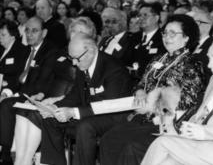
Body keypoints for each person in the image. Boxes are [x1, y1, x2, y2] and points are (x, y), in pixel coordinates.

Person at [97, 14, 206, 165]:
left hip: (164, 122)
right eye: (165, 32)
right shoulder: (158, 58)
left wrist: (156, 109)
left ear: (187, 37)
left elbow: (188, 102)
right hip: (142, 116)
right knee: (108, 139)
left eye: (173, 33)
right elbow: (141, 83)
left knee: (129, 145)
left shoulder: (192, 64)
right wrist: (140, 91)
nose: (167, 37)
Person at [19, 33, 133, 165]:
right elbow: (75, 95)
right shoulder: (82, 63)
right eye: (71, 58)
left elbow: (108, 105)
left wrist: (73, 112)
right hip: (89, 112)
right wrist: (55, 107)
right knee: (50, 119)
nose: (73, 63)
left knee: (85, 127)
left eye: (76, 58)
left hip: (113, 115)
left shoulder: (114, 68)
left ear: (90, 50)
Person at [13, 16, 98, 165]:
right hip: (55, 97)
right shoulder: (62, 52)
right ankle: (21, 159)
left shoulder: (87, 58)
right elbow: (49, 77)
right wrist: (43, 95)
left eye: (80, 32)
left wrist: (58, 100)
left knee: (37, 115)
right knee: (22, 111)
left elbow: (81, 91)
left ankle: (25, 161)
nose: (76, 34)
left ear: (90, 37)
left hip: (71, 102)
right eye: (74, 31)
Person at [0, 16, 58, 164]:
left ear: (44, 33)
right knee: (5, 100)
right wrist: (7, 91)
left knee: (6, 105)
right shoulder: (27, 50)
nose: (30, 34)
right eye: (27, 30)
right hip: (22, 92)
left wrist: (18, 94)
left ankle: (5, 154)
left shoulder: (49, 51)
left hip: (37, 96)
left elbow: (43, 81)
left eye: (34, 31)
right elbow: (18, 77)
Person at [0, 20, 29, 99]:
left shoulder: (22, 51)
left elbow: (18, 77)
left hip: (9, 91)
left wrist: (5, 93)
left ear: (13, 36)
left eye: (3, 35)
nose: (0, 37)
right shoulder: (1, 48)